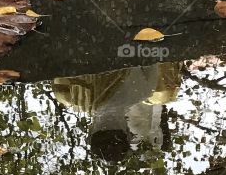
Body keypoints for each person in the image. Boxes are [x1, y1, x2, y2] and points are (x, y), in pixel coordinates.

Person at [52, 62, 183, 160]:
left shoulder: (144, 90)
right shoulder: (68, 96)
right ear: (90, 131)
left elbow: (150, 50)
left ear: (127, 132)